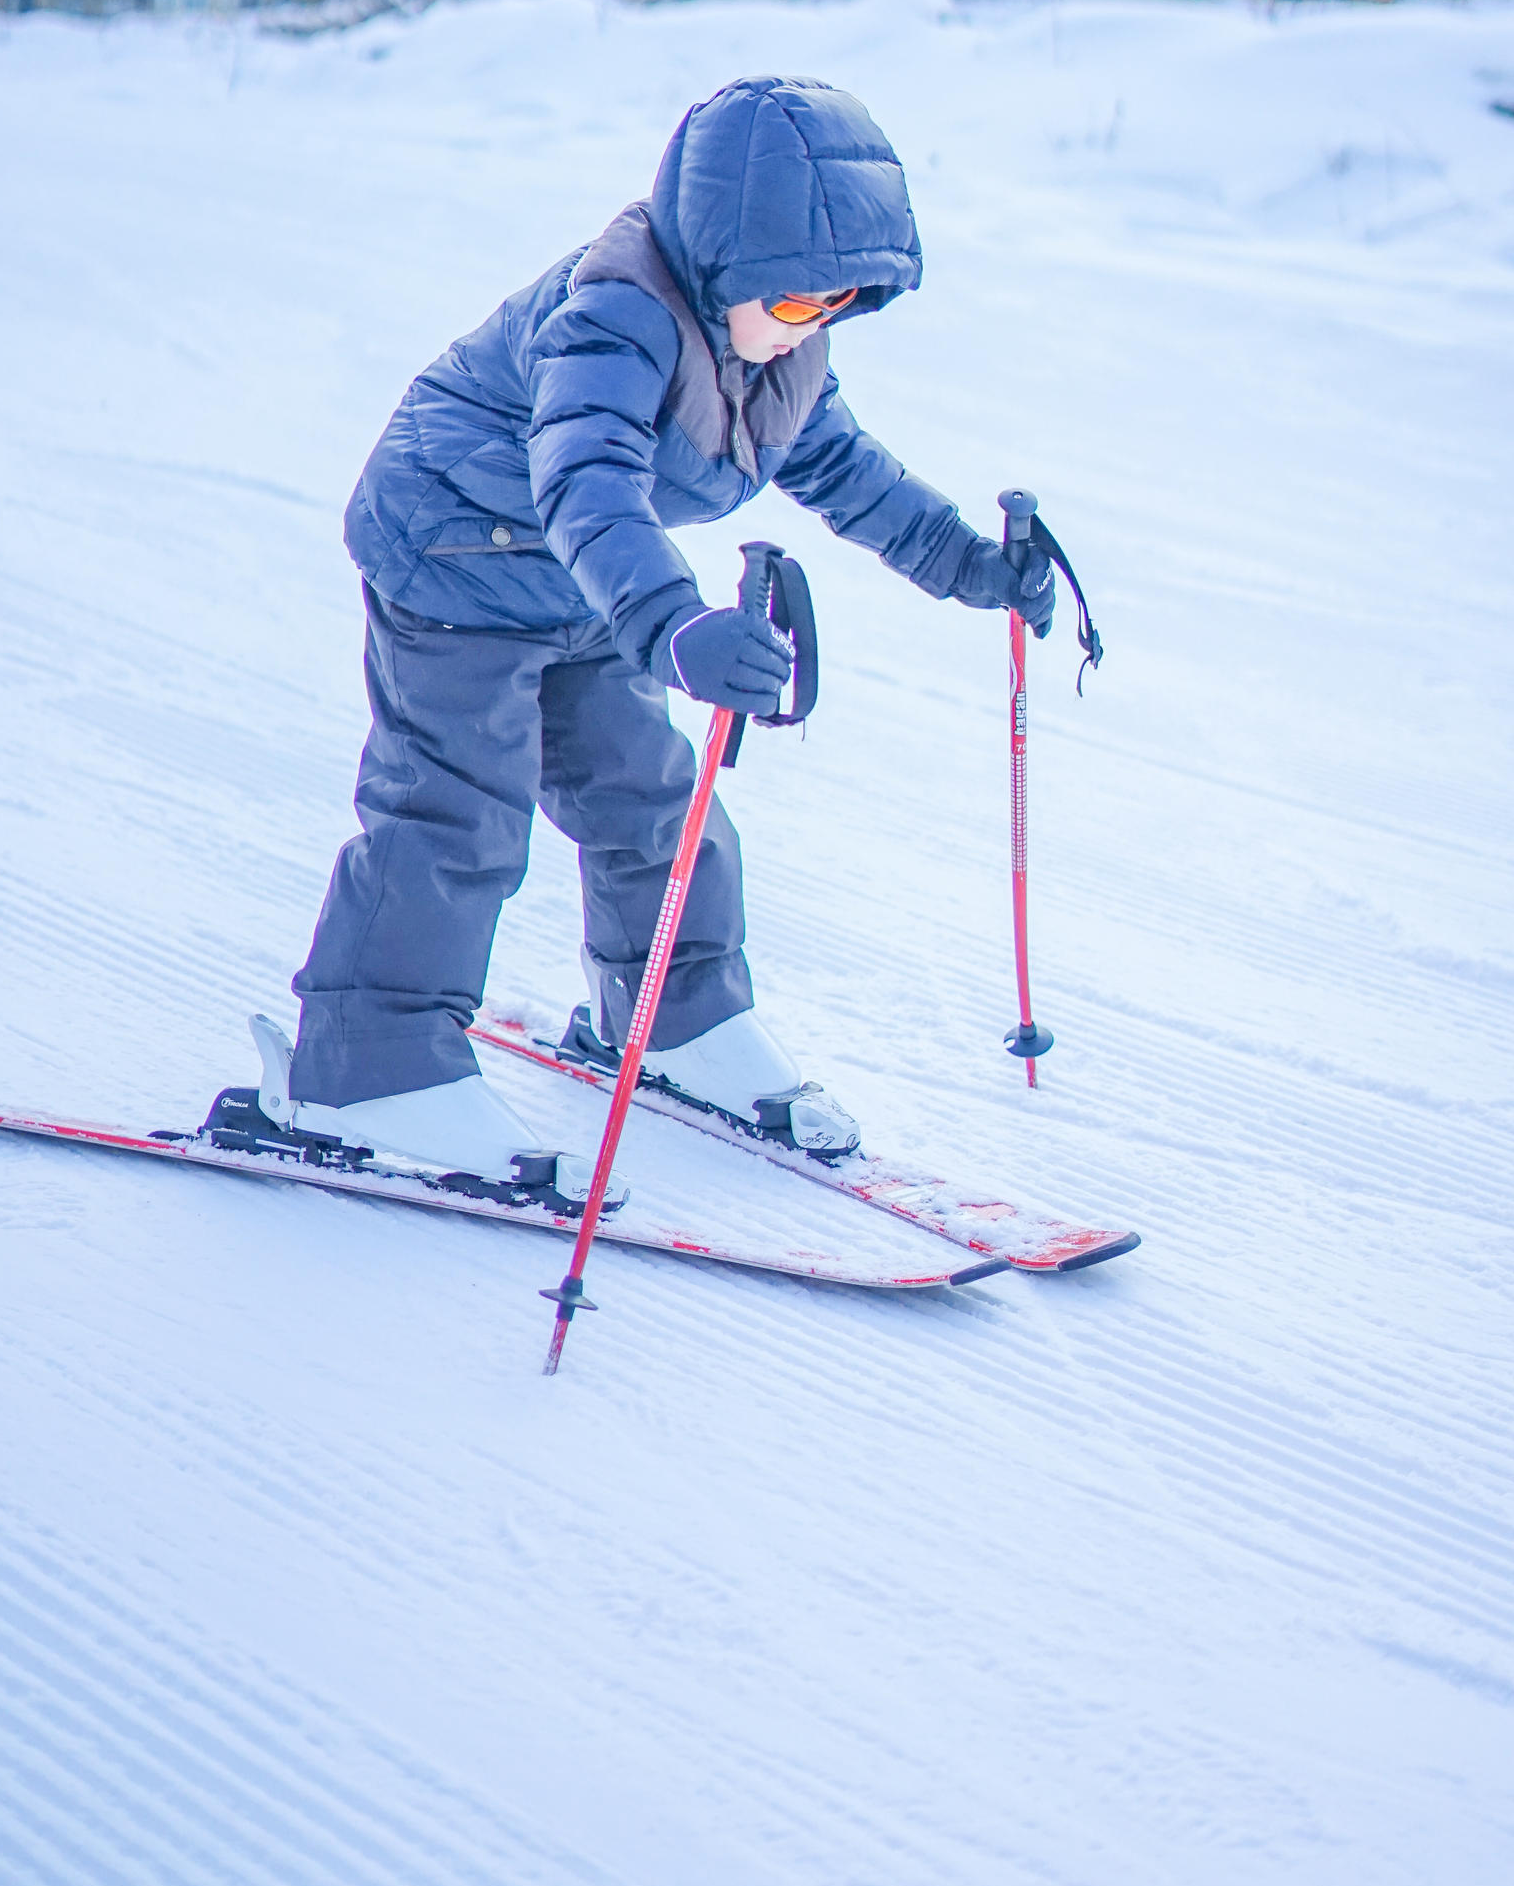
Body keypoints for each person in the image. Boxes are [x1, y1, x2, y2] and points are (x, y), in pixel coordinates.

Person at [246, 75, 1053, 1197]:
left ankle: (676, 1019)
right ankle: (362, 1065)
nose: (808, 331)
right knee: (456, 812)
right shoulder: (613, 313)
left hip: (582, 587)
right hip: (453, 550)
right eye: (796, 303)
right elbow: (583, 480)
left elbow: (850, 476)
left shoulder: (779, 350)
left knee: (655, 802)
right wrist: (673, 628)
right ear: (727, 261)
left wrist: (972, 567)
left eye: (836, 308)